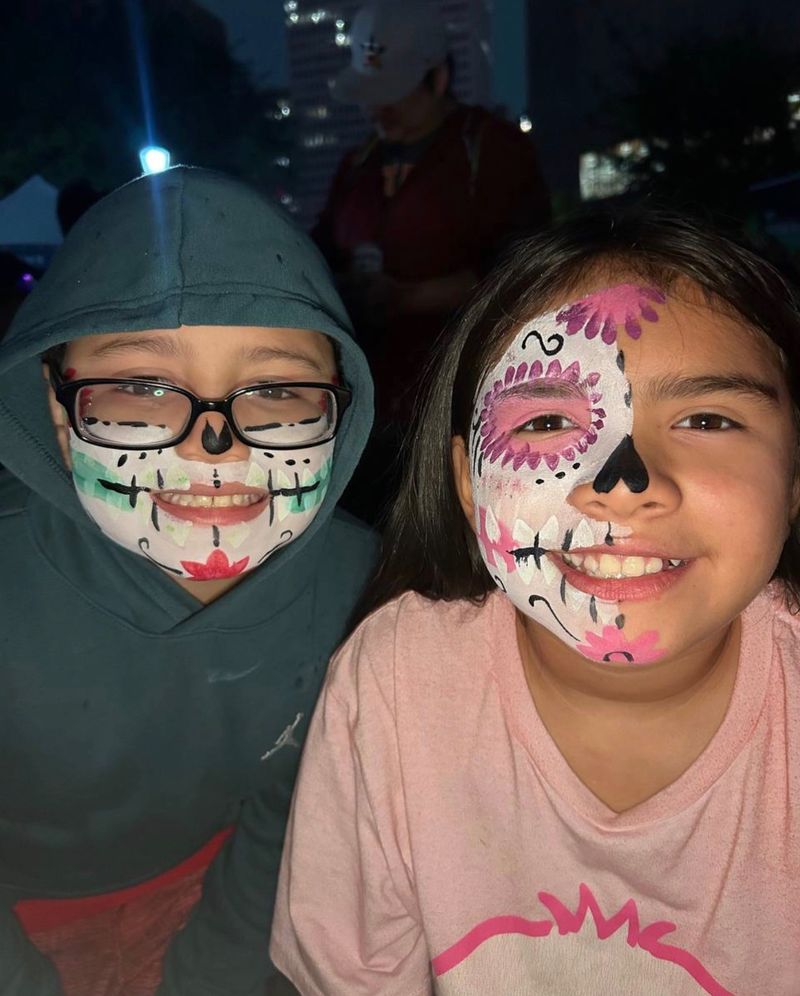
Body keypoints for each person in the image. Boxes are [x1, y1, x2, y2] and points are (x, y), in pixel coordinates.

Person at [270, 208, 800, 993]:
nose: (626, 484)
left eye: (706, 418)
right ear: (464, 481)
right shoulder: (395, 681)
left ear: (794, 481)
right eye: (550, 421)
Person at [0, 165, 376, 995]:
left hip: (207, 894)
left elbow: (288, 832)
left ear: (342, 407)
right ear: (60, 414)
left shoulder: (359, 593)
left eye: (276, 390)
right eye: (141, 389)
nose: (216, 446)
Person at [316, 0, 550, 515]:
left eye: (394, 95)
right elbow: (320, 252)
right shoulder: (357, 167)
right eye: (370, 97)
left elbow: (527, 269)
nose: (380, 111)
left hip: (461, 400)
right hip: (370, 405)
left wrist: (413, 297)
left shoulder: (490, 150)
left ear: (438, 77)